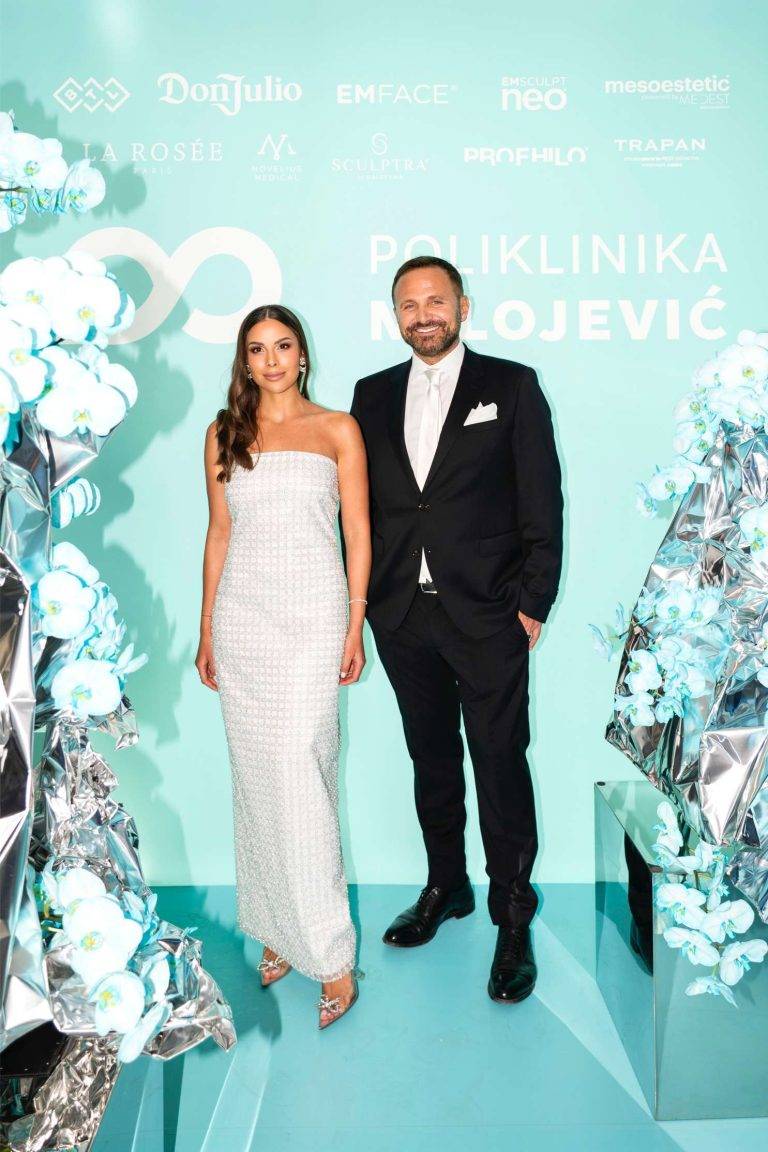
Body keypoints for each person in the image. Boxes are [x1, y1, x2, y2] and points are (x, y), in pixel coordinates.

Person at [350, 257, 563, 1003]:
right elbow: (365, 509)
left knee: (500, 761)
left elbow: (543, 498)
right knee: (431, 758)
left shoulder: (511, 385)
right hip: (403, 614)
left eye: (435, 300)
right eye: (409, 305)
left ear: (463, 306)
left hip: (488, 612)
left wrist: (534, 599)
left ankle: (513, 917)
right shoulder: (371, 395)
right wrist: (365, 603)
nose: (423, 315)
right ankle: (447, 885)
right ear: (396, 316)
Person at [196, 304, 370, 1029]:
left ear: (303, 355)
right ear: (245, 361)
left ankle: (330, 954)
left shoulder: (337, 429)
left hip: (313, 618)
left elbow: (357, 530)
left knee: (302, 771)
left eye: (283, 345)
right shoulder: (223, 433)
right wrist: (207, 628)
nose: (270, 360)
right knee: (258, 778)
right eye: (257, 349)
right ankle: (275, 927)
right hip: (244, 620)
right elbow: (219, 532)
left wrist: (355, 623)